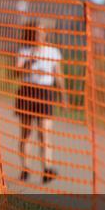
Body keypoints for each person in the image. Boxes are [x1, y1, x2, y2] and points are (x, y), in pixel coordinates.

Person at [14, 18, 64, 184]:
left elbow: (58, 75)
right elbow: (15, 73)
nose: (39, 34)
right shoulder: (25, 51)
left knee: (44, 133)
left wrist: (63, 96)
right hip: (28, 92)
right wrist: (29, 62)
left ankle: (47, 169)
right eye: (36, 31)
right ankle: (25, 168)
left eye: (42, 31)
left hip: (45, 93)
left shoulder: (53, 52)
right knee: (26, 133)